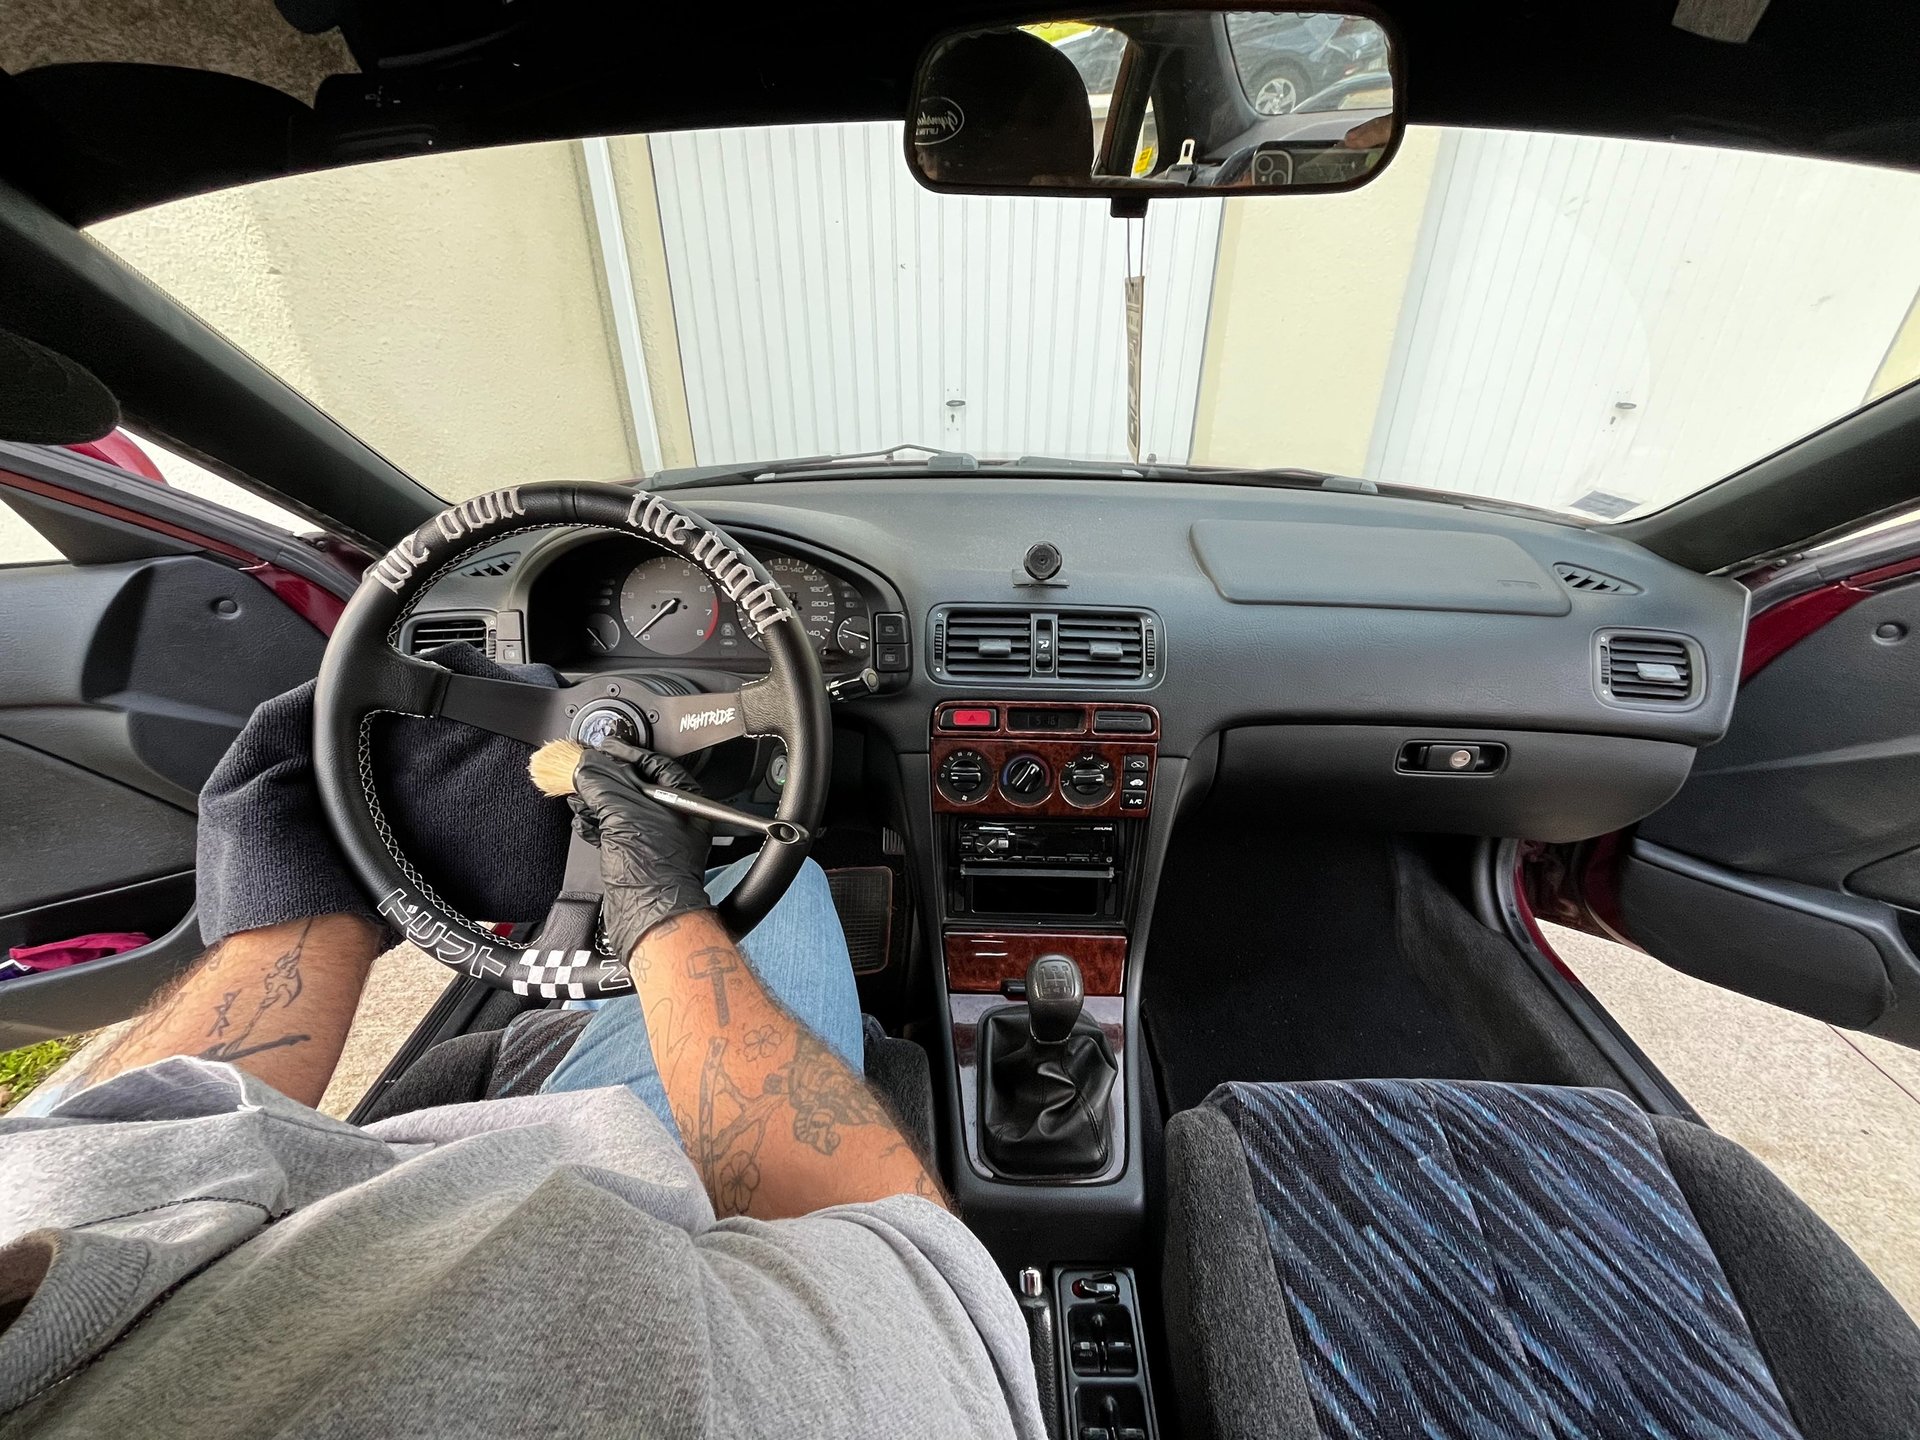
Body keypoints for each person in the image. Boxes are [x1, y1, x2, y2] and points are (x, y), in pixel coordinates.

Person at [0, 650, 1044, 1437]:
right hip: (633, 1232)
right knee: (776, 892)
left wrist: (304, 882)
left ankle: (320, 910)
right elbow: (905, 1262)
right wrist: (662, 911)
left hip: (383, 1201)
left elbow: (122, 1185)